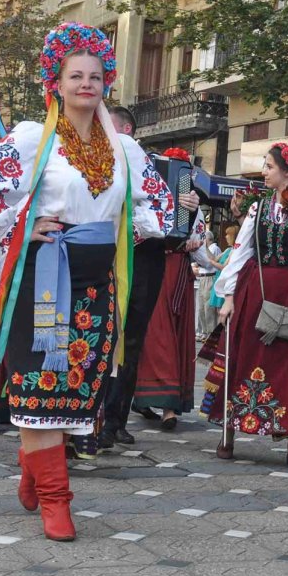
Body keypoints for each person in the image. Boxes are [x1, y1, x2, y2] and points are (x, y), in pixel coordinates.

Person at [0, 22, 167, 541]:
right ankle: (57, 500)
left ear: (106, 83)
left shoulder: (124, 148)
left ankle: (36, 464)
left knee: (76, 385)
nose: (86, 84)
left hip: (97, 281)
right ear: (56, 81)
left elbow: (160, 207)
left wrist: (125, 229)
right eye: (76, 76)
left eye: (95, 76)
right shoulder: (35, 138)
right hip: (44, 274)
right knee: (40, 382)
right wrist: (23, 225)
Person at [205, 143, 288, 468]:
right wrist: (228, 296)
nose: (264, 172)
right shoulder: (258, 209)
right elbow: (241, 253)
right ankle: (228, 432)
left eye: (269, 166)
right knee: (241, 357)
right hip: (256, 291)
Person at [98, 105, 179, 451]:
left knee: (130, 340)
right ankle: (99, 418)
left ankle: (114, 420)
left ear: (125, 130)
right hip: (108, 255)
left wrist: (188, 209)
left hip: (145, 260)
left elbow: (174, 229)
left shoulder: (140, 156)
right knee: (106, 335)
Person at [132, 146, 213, 432]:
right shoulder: (144, 198)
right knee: (155, 335)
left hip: (178, 272)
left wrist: (194, 244)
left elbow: (200, 249)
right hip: (154, 267)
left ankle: (167, 405)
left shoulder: (192, 206)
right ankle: (147, 397)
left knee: (173, 336)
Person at [193, 231, 223, 341]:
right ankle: (204, 331)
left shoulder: (214, 248)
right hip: (202, 278)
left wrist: (199, 263)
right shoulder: (205, 249)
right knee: (201, 307)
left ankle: (211, 332)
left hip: (210, 277)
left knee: (208, 307)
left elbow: (209, 263)